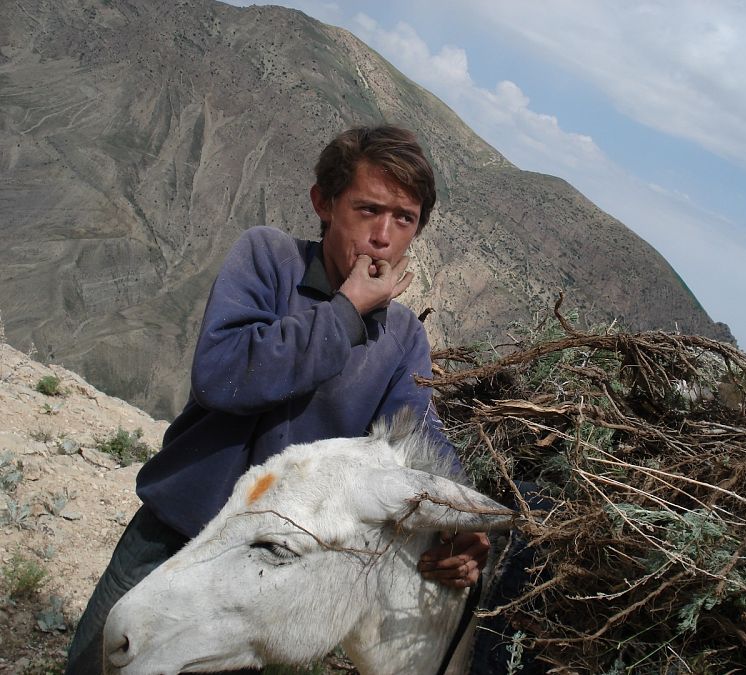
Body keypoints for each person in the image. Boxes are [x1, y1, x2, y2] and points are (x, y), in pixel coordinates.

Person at [65, 125, 490, 674]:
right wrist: (344, 312)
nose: (383, 236)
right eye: (367, 209)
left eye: (403, 219)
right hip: (175, 532)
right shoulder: (269, 258)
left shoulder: (403, 337)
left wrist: (461, 526)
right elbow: (223, 375)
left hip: (264, 573)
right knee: (102, 661)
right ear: (324, 203)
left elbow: (415, 445)